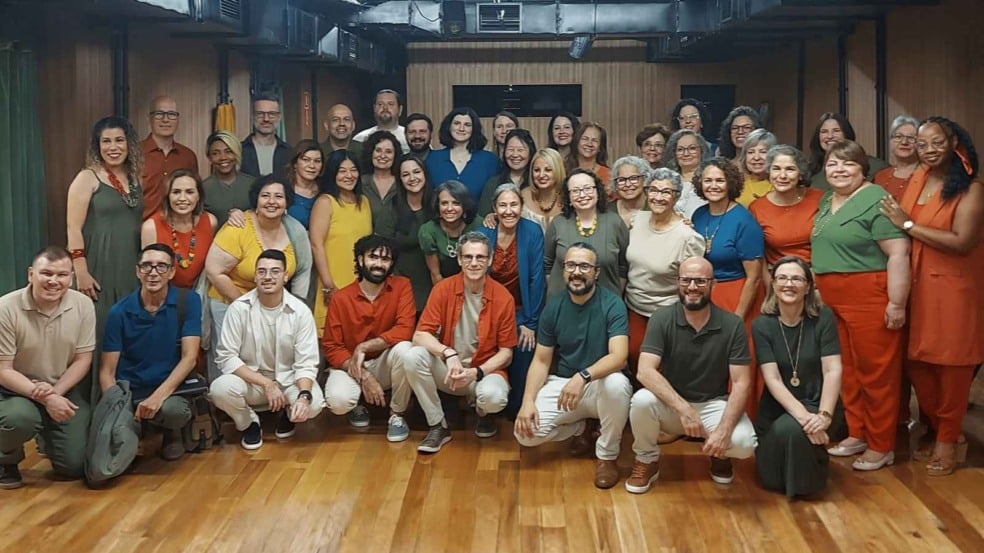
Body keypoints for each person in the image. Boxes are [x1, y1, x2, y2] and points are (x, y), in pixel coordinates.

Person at [879, 117, 983, 476]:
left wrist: (908, 225)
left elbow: (962, 241)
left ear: (954, 142)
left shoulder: (971, 188)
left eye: (936, 142)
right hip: (916, 284)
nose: (928, 150)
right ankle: (942, 428)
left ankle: (947, 440)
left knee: (952, 367)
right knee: (917, 363)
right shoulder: (919, 178)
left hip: (953, 289)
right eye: (922, 144)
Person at [811, 140, 909, 471]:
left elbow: (898, 253)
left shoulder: (877, 199)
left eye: (847, 163)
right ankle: (858, 433)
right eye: (832, 163)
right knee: (848, 372)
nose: (839, 169)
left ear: (862, 168)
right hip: (832, 300)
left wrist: (897, 303)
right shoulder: (827, 199)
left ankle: (881, 445)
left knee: (876, 374)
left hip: (869, 296)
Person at [626, 257, 757, 494]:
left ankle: (719, 454)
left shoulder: (732, 325)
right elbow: (645, 371)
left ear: (713, 284)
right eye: (686, 280)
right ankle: (646, 459)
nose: (692, 287)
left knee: (744, 444)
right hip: (672, 405)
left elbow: (741, 383)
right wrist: (684, 409)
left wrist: (723, 431)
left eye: (700, 281)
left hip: (713, 404)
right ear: (677, 282)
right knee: (641, 400)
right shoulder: (661, 318)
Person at [514, 243, 631, 489]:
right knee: (525, 434)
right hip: (564, 384)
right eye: (571, 265)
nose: (577, 272)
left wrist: (583, 376)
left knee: (618, 384)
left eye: (585, 266)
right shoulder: (553, 307)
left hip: (599, 383)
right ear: (564, 270)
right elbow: (541, 360)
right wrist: (527, 401)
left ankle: (607, 456)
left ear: (596, 272)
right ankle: (580, 428)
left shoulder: (613, 304)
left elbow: (619, 357)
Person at [398, 232, 516, 453]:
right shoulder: (443, 289)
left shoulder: (503, 297)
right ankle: (438, 425)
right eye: (468, 257)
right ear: (459, 259)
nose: (474, 263)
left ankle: (483, 413)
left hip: (482, 373)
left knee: (494, 397)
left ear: (490, 260)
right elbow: (420, 335)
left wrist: (477, 372)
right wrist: (448, 353)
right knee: (412, 355)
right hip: (449, 371)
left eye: (480, 257)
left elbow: (506, 353)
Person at [210, 250, 325, 450]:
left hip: (288, 382)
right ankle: (249, 423)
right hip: (253, 382)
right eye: (262, 272)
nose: (268, 277)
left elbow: (306, 362)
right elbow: (226, 357)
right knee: (219, 389)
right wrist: (266, 384)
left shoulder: (300, 312)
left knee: (313, 404)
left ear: (285, 276)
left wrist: (304, 396)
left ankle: (289, 413)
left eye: (275, 271)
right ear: (255, 276)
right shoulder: (239, 308)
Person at [0, 247, 95, 488]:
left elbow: (83, 359)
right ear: (31, 274)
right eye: (46, 273)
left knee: (74, 467)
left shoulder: (83, 305)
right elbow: (4, 370)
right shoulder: (5, 308)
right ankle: (6, 459)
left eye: (62, 275)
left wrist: (55, 393)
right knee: (19, 419)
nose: (54, 281)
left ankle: (47, 435)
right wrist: (46, 398)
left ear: (71, 278)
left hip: (60, 387)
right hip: (13, 390)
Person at [752, 257, 845, 498]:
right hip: (778, 407)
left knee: (791, 431)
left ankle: (808, 483)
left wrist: (823, 416)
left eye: (796, 279)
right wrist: (806, 420)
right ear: (773, 284)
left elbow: (832, 369)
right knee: (771, 479)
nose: (789, 284)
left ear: (808, 286)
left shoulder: (823, 318)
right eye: (782, 278)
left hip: (818, 401)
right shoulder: (761, 325)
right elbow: (772, 379)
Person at [99, 244, 201, 462]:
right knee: (114, 454)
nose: (153, 273)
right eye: (146, 266)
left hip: (170, 390)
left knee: (175, 411)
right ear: (138, 272)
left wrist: (157, 398)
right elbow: (107, 372)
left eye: (161, 266)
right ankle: (138, 429)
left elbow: (189, 358)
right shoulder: (118, 312)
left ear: (172, 272)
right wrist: (116, 408)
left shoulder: (188, 301)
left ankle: (171, 432)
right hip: (132, 390)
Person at [204, 175, 312, 377]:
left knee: (265, 365)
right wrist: (247, 306)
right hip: (230, 303)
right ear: (256, 200)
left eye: (278, 196)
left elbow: (303, 271)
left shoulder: (295, 230)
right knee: (230, 368)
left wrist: (296, 310)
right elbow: (214, 270)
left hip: (273, 308)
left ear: (287, 202)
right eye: (265, 196)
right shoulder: (239, 226)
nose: (272, 201)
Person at [66, 116, 144, 365]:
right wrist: (81, 271)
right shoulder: (87, 178)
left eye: (119, 140)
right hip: (98, 266)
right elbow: (73, 227)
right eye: (106, 141)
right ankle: (96, 388)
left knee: (129, 329)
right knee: (100, 329)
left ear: (129, 144)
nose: (113, 147)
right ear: (97, 146)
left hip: (129, 265)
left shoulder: (135, 179)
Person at [322, 235, 416, 441]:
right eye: (373, 257)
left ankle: (397, 414)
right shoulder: (341, 298)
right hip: (351, 365)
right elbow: (331, 346)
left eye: (385, 259)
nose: (379, 264)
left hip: (385, 362)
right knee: (338, 402)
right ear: (360, 259)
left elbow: (405, 330)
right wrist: (364, 375)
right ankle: (357, 405)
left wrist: (364, 347)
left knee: (407, 350)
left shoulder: (402, 286)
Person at [625, 168, 706, 374]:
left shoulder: (688, 236)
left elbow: (692, 285)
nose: (658, 197)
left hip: (667, 312)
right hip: (633, 307)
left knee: (660, 366)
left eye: (666, 192)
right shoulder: (637, 220)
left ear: (676, 196)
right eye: (653, 190)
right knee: (632, 356)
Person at [476, 184, 546, 415]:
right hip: (488, 308)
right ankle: (485, 406)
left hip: (521, 308)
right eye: (503, 205)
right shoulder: (485, 232)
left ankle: (517, 407)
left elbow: (536, 279)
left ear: (522, 207)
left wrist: (531, 323)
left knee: (525, 344)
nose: (508, 211)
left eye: (514, 204)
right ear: (494, 209)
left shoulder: (532, 231)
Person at [691, 158, 765, 323]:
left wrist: (738, 317)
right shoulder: (698, 215)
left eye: (720, 180)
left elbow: (754, 278)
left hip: (735, 296)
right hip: (703, 294)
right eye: (708, 181)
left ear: (730, 184)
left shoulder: (744, 221)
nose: (713, 186)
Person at [309, 150, 372, 335]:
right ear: (333, 173)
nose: (349, 175)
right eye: (342, 171)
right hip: (333, 282)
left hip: (362, 285)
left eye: (353, 170)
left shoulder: (364, 202)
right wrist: (329, 284)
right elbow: (316, 244)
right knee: (333, 337)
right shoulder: (325, 202)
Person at [544, 169, 628, 296]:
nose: (582, 195)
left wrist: (615, 295)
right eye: (575, 191)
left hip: (605, 302)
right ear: (568, 197)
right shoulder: (558, 223)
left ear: (597, 191)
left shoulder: (615, 223)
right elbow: (547, 264)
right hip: (563, 301)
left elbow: (623, 267)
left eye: (588, 188)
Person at [749, 145, 823, 284]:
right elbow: (759, 256)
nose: (782, 176)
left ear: (800, 174)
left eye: (790, 169)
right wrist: (771, 288)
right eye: (776, 169)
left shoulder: (819, 198)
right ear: (769, 172)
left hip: (818, 274)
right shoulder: (757, 208)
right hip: (779, 278)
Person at [140, 170, 218, 288]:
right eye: (176, 192)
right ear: (168, 196)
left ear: (198, 196)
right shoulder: (151, 227)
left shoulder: (210, 222)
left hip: (200, 292)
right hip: (164, 293)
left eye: (189, 192)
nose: (182, 198)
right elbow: (148, 274)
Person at [140, 96, 199, 221]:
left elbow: (194, 195)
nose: (165, 119)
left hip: (179, 227)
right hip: (140, 227)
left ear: (178, 119)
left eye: (171, 114)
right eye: (159, 114)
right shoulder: (134, 153)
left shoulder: (188, 156)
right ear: (149, 118)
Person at [426, 107, 500, 202]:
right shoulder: (433, 159)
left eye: (467, 125)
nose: (461, 129)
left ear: (474, 129)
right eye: (457, 123)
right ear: (449, 126)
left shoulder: (489, 160)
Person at [393, 155, 436, 312]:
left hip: (438, 281)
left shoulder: (439, 203)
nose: (412, 178)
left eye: (416, 172)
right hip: (403, 285)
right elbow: (381, 246)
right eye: (405, 174)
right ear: (400, 180)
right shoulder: (393, 207)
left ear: (425, 174)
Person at [418, 180, 479, 284]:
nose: (449, 208)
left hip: (475, 283)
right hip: (443, 285)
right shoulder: (427, 231)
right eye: (444, 203)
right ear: (438, 206)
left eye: (456, 203)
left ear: (465, 206)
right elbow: (436, 274)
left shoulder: (478, 225)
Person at [808, 113, 889, 191]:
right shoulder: (810, 169)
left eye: (836, 131)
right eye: (824, 132)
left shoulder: (876, 166)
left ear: (847, 134)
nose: (830, 136)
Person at [202, 130, 256, 228]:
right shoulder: (202, 189)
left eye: (228, 151)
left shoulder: (253, 185)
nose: (223, 157)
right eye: (215, 153)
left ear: (236, 153)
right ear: (209, 158)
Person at [477, 129, 535, 216]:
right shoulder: (493, 184)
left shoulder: (536, 182)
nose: (515, 155)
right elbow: (481, 218)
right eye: (510, 150)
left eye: (520, 150)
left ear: (530, 153)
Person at [241, 92, 291, 178]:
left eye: (272, 114)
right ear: (252, 116)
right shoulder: (238, 151)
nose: (266, 119)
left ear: (279, 117)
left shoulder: (289, 152)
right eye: (260, 114)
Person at [360, 130, 401, 239]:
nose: (383, 155)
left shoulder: (403, 184)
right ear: (371, 153)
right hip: (364, 244)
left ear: (395, 155)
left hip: (397, 245)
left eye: (388, 151)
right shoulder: (360, 183)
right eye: (378, 150)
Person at [662, 129, 709, 217]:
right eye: (680, 149)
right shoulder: (667, 181)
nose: (686, 154)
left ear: (701, 151)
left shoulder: (710, 180)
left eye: (692, 148)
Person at [873, 115, 920, 202]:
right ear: (890, 141)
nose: (904, 142)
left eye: (911, 138)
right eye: (898, 137)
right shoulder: (880, 176)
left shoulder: (928, 176)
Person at [521, 148, 567, 233]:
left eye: (548, 170)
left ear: (558, 170)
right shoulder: (522, 197)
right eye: (537, 170)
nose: (541, 175)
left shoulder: (568, 198)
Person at [352, 89, 409, 154]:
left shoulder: (409, 137)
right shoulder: (360, 139)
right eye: (380, 104)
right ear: (374, 109)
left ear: (400, 109)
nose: (385, 108)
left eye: (390, 104)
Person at [285, 139, 324, 229]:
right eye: (306, 160)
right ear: (295, 163)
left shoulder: (326, 190)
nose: (312, 166)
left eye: (317, 161)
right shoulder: (283, 190)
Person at [567, 122, 611, 194]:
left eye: (595, 140)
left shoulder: (608, 175)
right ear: (576, 142)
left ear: (600, 147)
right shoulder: (563, 170)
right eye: (585, 139)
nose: (589, 144)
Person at [736, 129, 777, 207]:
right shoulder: (736, 186)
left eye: (763, 152)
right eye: (751, 152)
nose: (756, 157)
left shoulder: (782, 185)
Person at [611, 156, 649, 227]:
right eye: (621, 180)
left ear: (645, 180)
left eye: (633, 178)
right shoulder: (607, 211)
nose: (628, 184)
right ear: (616, 185)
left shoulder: (655, 207)